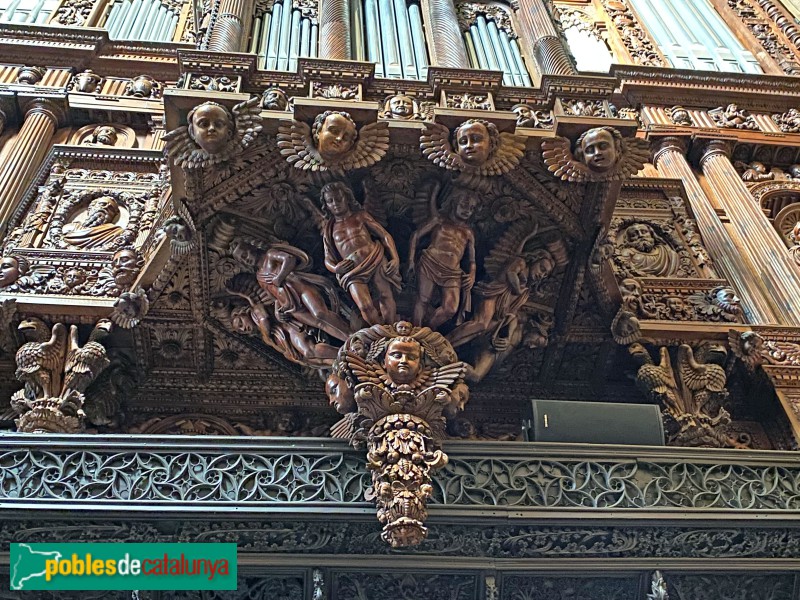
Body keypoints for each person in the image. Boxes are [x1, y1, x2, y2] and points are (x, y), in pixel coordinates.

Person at [320, 182, 401, 325]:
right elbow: (327, 258)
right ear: (326, 205)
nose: (335, 204)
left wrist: (394, 258)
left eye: (339, 199)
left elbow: (384, 236)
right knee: (364, 305)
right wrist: (335, 268)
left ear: (347, 199)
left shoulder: (360, 216)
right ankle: (379, 332)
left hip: (374, 258)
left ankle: (391, 328)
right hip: (351, 270)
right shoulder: (329, 227)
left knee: (385, 295)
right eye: (330, 201)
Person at [408, 189, 477, 329]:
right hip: (430, 263)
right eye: (464, 205)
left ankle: (427, 330)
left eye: (471, 208)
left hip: (453, 272)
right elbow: (416, 235)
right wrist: (410, 260)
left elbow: (472, 260)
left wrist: (472, 275)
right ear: (454, 203)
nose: (467, 211)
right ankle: (416, 330)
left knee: (450, 308)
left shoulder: (468, 232)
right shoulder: (439, 221)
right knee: (423, 299)